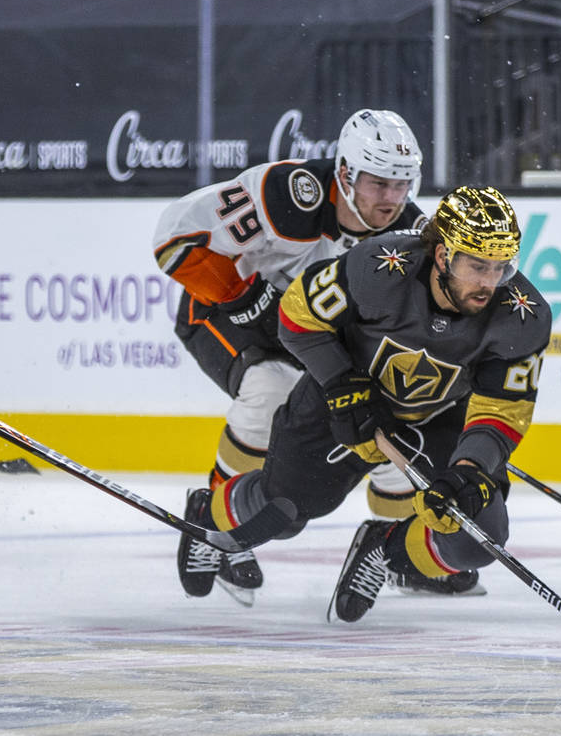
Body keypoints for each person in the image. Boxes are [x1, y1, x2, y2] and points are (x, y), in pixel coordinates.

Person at [175, 186, 551, 622]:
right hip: (337, 404)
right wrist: (340, 383)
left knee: (475, 534)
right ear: (444, 255)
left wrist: (469, 470)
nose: (490, 282)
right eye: (478, 265)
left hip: (436, 418)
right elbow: (296, 315)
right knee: (286, 511)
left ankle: (384, 550)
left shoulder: (523, 316)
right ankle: (209, 512)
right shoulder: (380, 267)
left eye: (502, 266)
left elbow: (502, 410)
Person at [155, 110, 477, 603]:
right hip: (227, 316)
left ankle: (398, 550)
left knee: (396, 419)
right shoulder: (288, 194)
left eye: (401, 185)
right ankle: (215, 522)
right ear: (345, 173)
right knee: (267, 387)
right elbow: (174, 237)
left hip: (307, 335)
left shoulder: (412, 237)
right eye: (378, 183)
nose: (391, 199)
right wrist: (240, 296)